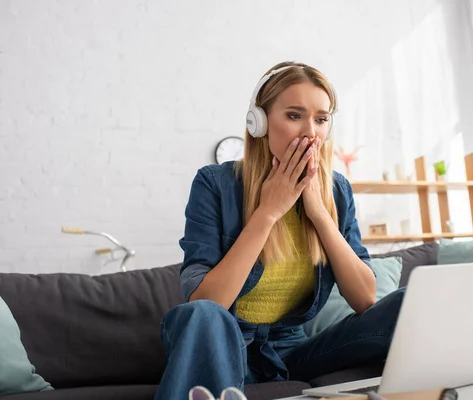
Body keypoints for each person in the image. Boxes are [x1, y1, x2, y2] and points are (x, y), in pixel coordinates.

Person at [154, 61, 406, 400]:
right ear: (258, 123)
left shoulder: (338, 191)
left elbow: (365, 300)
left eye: (321, 119)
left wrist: (319, 213)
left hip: (290, 351)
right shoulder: (215, 184)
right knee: (200, 315)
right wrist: (268, 212)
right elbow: (209, 301)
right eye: (293, 115)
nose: (310, 132)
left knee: (407, 305)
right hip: (226, 345)